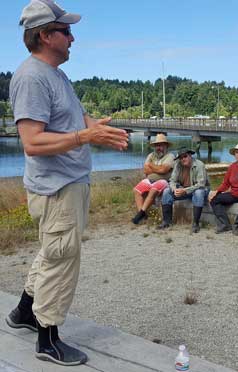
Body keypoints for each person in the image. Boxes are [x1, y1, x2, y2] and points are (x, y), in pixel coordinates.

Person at [6, 0, 128, 366]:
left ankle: (24, 312)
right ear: (45, 35)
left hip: (66, 185)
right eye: (65, 31)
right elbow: (32, 142)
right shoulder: (31, 78)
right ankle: (48, 340)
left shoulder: (56, 74)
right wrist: (85, 138)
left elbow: (77, 117)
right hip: (57, 189)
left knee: (52, 251)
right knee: (62, 258)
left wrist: (96, 129)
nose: (72, 38)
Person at [158, 147, 210, 233]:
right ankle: (166, 221)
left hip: (199, 189)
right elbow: (172, 180)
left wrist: (185, 190)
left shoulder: (199, 165)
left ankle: (196, 224)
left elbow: (201, 184)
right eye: (181, 158)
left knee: (198, 192)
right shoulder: (178, 165)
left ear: (190, 156)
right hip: (184, 189)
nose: (183, 159)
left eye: (185, 156)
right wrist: (174, 189)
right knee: (167, 191)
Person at [131, 133, 174, 224]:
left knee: (153, 190)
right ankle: (143, 215)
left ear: (166, 146)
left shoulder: (170, 156)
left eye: (161, 145)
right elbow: (146, 170)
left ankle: (140, 214)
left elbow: (163, 170)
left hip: (164, 181)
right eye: (157, 145)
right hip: (150, 180)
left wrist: (151, 165)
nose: (158, 147)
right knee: (136, 190)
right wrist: (157, 169)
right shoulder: (151, 155)